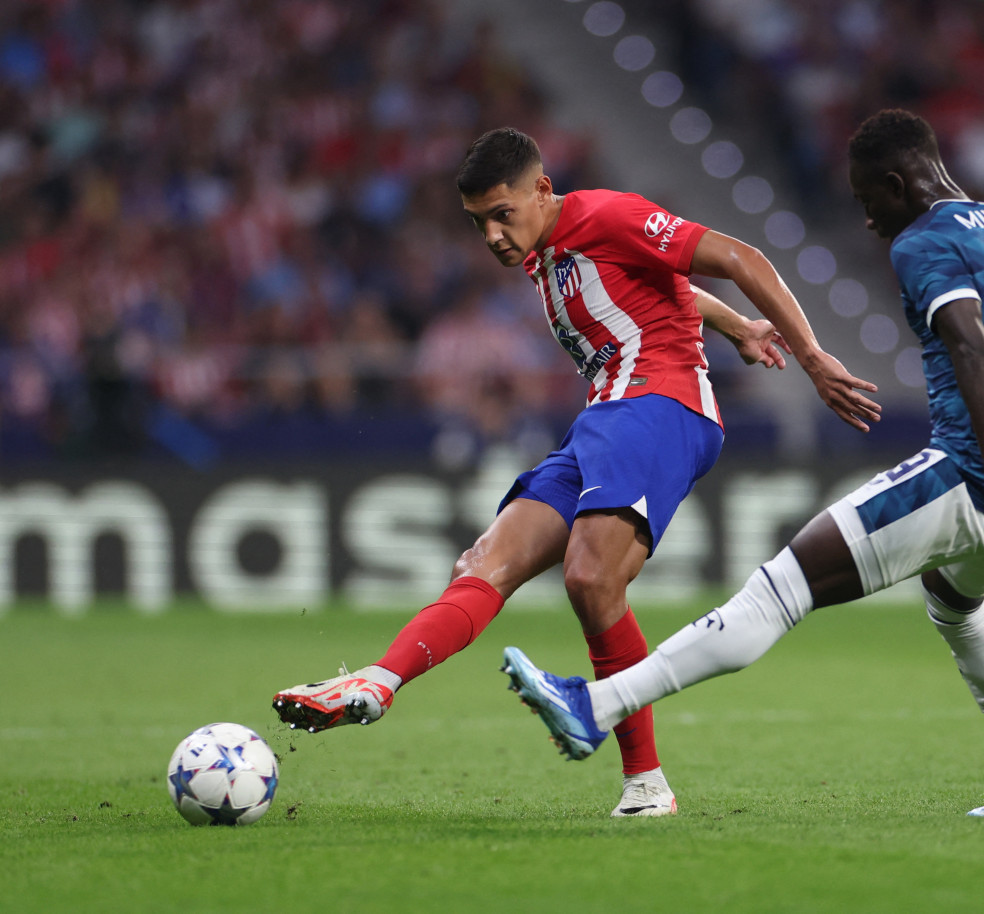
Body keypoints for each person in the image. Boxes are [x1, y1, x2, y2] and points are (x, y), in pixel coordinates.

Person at [501, 109, 984, 817]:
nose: (868, 222)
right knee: (956, 610)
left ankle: (596, 703)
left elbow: (970, 344)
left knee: (779, 590)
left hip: (973, 475)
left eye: (869, 202)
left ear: (898, 184)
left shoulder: (924, 242)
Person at [271, 127, 881, 817]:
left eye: (503, 214)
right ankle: (377, 684)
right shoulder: (543, 253)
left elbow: (739, 255)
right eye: (479, 224)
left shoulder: (606, 214)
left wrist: (809, 355)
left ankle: (643, 779)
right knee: (483, 561)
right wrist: (733, 324)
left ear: (542, 190)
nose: (495, 236)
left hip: (661, 404)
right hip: (603, 420)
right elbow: (657, 284)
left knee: (591, 576)